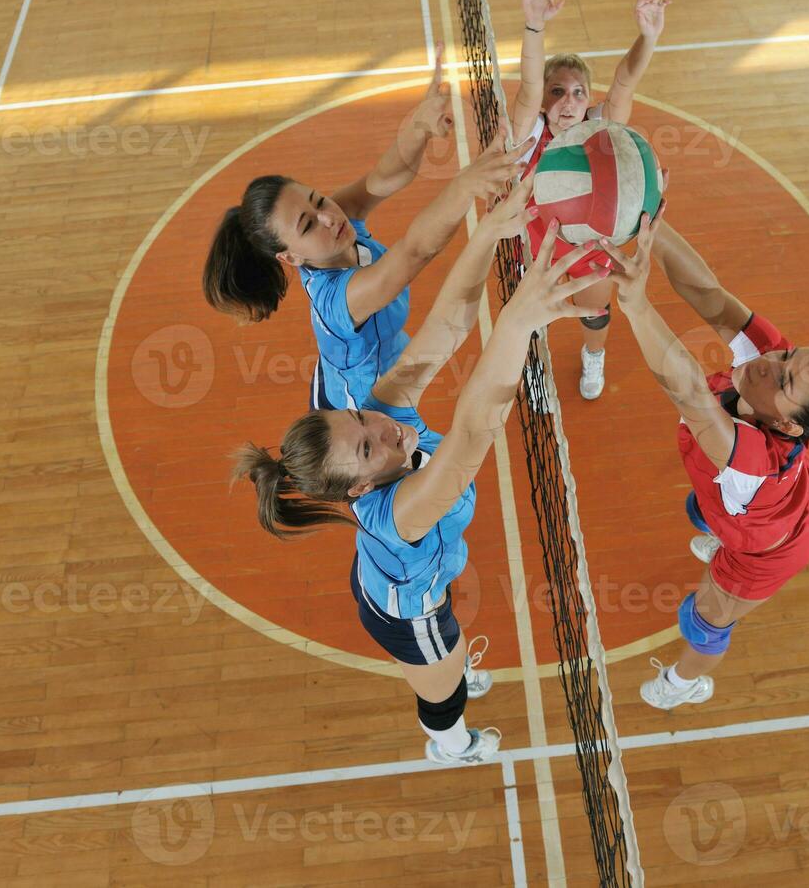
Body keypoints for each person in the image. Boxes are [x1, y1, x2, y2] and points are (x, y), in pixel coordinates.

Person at [234, 174, 610, 761]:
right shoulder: (403, 511)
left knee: (450, 649)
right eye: (366, 446)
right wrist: (516, 323)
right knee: (442, 677)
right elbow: (471, 430)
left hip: (401, 574)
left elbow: (446, 329)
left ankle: (450, 667)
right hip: (409, 612)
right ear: (361, 484)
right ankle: (448, 741)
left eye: (357, 417)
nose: (381, 426)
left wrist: (488, 230)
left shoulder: (379, 416)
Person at [597, 202, 809, 709]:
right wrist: (645, 218)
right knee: (705, 508)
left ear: (789, 424)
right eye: (785, 356)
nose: (767, 363)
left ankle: (683, 683)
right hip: (765, 505)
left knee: (707, 616)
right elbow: (707, 294)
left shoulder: (752, 456)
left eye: (782, 378)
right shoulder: (771, 365)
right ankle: (718, 535)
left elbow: (688, 391)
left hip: (767, 549)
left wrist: (637, 304)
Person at [203, 47, 527, 410]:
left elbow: (384, 177)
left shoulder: (336, 223)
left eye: (318, 199)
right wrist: (465, 184)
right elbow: (415, 251)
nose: (328, 215)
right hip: (364, 416)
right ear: (290, 256)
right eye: (308, 224)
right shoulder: (341, 298)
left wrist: (420, 126)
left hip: (345, 374)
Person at [510, 0, 669, 401]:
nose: (568, 101)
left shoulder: (604, 132)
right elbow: (525, 86)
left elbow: (624, 83)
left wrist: (648, 37)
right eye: (556, 91)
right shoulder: (527, 136)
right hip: (539, 250)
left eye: (579, 92)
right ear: (544, 100)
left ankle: (593, 356)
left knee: (595, 312)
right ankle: (535, 369)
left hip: (590, 248)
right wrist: (535, 24)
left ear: (589, 100)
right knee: (531, 318)